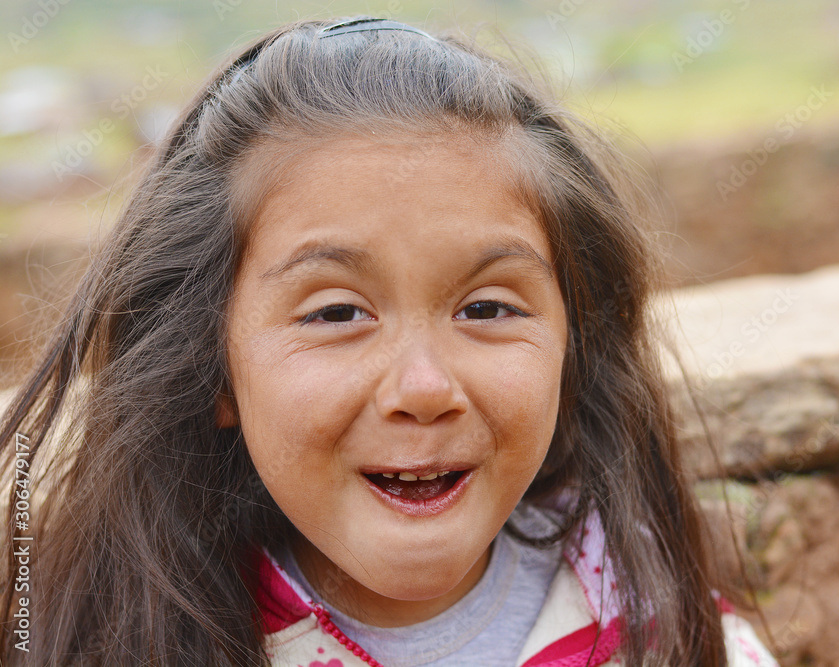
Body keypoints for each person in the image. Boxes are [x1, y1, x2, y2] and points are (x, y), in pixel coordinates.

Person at [0, 16, 777, 666]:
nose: (425, 387)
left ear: (573, 350)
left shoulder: (662, 619)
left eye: (487, 307)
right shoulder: (135, 640)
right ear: (213, 372)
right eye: (337, 313)